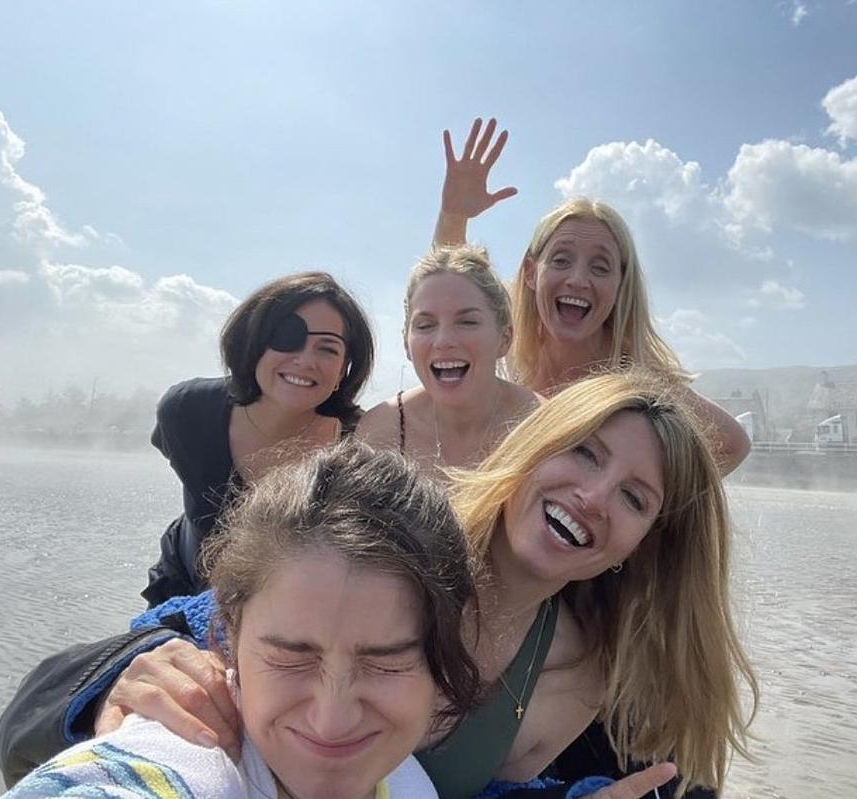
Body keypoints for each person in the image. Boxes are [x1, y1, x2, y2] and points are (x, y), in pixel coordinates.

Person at [0, 369, 755, 798]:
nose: (593, 495)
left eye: (635, 498)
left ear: (643, 543)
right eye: (584, 453)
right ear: (531, 447)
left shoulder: (604, 676)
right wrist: (118, 676)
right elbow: (53, 717)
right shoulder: (393, 542)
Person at [3, 441, 479, 799]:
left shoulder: (407, 782)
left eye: (386, 662)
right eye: (290, 657)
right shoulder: (184, 754)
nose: (332, 720)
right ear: (229, 631)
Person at [432, 119, 749, 475]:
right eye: (561, 260)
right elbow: (454, 285)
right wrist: (454, 215)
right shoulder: (510, 337)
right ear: (532, 272)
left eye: (600, 267)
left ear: (620, 285)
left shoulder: (634, 378)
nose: (578, 280)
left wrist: (648, 498)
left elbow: (731, 442)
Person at [143, 270, 374, 606]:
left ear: (344, 369)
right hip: (184, 603)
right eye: (287, 337)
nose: (305, 360)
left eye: (327, 349)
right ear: (253, 344)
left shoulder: (362, 446)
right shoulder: (188, 411)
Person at [356, 244, 538, 476]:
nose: (443, 341)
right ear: (406, 344)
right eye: (425, 325)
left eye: (467, 322)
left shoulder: (544, 427)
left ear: (504, 338)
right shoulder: (381, 432)